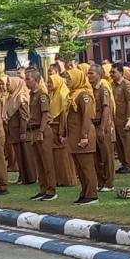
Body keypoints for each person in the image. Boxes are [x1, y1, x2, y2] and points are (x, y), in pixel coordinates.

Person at [64, 68, 98, 205]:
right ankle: (84, 192)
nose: (67, 81)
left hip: (83, 136)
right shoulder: (72, 95)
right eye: (66, 79)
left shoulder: (84, 95)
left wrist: (84, 136)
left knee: (87, 167)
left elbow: (86, 117)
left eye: (69, 78)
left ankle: (92, 194)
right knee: (79, 168)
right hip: (74, 137)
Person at [25, 67, 57, 201]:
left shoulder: (42, 95)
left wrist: (41, 132)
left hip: (41, 130)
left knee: (47, 162)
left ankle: (51, 190)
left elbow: (45, 115)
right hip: (33, 130)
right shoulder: (32, 95)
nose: (26, 82)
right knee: (38, 162)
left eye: (28, 79)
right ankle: (43, 188)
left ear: (36, 80)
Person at [88, 64, 115, 192]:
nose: (89, 76)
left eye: (92, 73)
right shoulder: (90, 89)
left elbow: (106, 109)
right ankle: (101, 182)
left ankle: (109, 183)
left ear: (99, 75)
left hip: (102, 124)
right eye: (88, 73)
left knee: (106, 155)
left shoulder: (103, 89)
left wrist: (102, 128)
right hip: (94, 124)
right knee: (96, 156)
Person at [5, 76, 37, 185]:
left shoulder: (21, 97)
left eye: (9, 84)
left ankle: (30, 177)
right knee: (19, 156)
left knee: (26, 156)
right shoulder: (12, 97)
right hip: (15, 131)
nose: (7, 86)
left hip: (21, 131)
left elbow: (24, 116)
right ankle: (22, 177)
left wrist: (23, 131)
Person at [48, 73, 77, 187]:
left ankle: (68, 179)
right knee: (56, 156)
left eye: (51, 82)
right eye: (48, 82)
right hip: (53, 128)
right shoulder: (52, 94)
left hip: (59, 128)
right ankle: (59, 179)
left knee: (63, 155)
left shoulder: (61, 94)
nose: (49, 84)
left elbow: (62, 116)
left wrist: (61, 132)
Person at [110, 63, 130, 174]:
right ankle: (124, 163)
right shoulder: (112, 85)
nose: (111, 74)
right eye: (111, 72)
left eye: (114, 72)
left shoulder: (126, 85)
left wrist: (129, 118)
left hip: (124, 118)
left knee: (127, 142)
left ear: (121, 73)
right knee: (119, 143)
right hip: (116, 118)